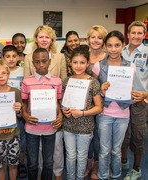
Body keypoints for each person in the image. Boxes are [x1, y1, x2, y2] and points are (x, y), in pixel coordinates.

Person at [92, 31, 136, 180]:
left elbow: (132, 90)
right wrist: (101, 88)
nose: (113, 49)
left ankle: (116, 175)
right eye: (109, 45)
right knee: (104, 150)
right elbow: (93, 91)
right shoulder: (99, 66)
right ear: (105, 47)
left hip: (123, 114)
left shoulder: (130, 66)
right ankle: (103, 176)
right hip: (104, 114)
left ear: (123, 45)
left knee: (116, 150)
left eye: (117, 45)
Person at [61, 45, 102, 180]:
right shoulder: (66, 81)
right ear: (70, 63)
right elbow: (62, 103)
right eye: (75, 62)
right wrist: (63, 110)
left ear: (88, 63)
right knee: (71, 156)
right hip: (68, 126)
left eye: (82, 62)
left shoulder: (93, 83)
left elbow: (99, 107)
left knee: (82, 156)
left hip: (85, 127)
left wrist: (82, 113)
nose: (78, 66)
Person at [21, 48, 63, 180]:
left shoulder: (57, 81)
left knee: (48, 162)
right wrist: (24, 115)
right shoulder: (27, 81)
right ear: (33, 63)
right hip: (32, 128)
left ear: (49, 61)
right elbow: (24, 103)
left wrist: (60, 116)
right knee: (32, 163)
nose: (41, 65)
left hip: (50, 127)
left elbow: (59, 102)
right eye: (37, 62)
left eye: (44, 61)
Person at [121, 21, 148, 180]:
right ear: (128, 34)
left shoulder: (147, 52)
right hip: (122, 102)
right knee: (123, 135)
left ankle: (137, 168)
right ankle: (124, 161)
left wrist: (146, 95)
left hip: (139, 103)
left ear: (144, 35)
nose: (136, 36)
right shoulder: (121, 51)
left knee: (138, 136)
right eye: (133, 33)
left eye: (140, 33)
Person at [84, 25, 108, 179]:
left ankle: (96, 166)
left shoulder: (108, 56)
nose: (96, 40)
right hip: (85, 102)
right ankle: (88, 163)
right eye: (93, 37)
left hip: (103, 101)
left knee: (99, 135)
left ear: (103, 40)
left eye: (99, 37)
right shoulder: (83, 55)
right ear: (88, 39)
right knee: (87, 133)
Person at [2, 45, 27, 178]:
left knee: (21, 138)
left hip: (20, 111)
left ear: (18, 57)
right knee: (7, 138)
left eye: (13, 56)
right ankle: (8, 162)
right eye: (7, 56)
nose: (11, 59)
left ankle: (21, 163)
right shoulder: (1, 72)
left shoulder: (23, 71)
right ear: (2, 58)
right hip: (5, 112)